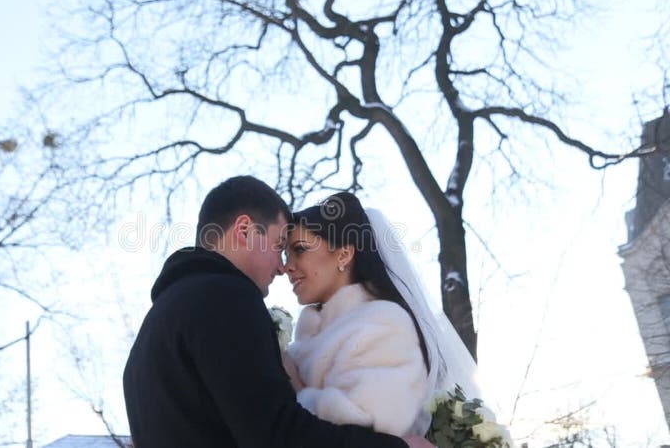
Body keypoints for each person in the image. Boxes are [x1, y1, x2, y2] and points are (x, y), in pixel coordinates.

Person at [122, 176, 433, 448]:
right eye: (279, 244)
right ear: (244, 230)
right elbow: (277, 436)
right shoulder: (227, 298)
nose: (283, 266)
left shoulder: (159, 319)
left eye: (296, 250)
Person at [283, 192, 480, 438]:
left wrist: (293, 383)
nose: (285, 267)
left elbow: (369, 434)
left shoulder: (385, 322)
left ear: (344, 254)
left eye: (299, 249)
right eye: (285, 254)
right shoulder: (310, 335)